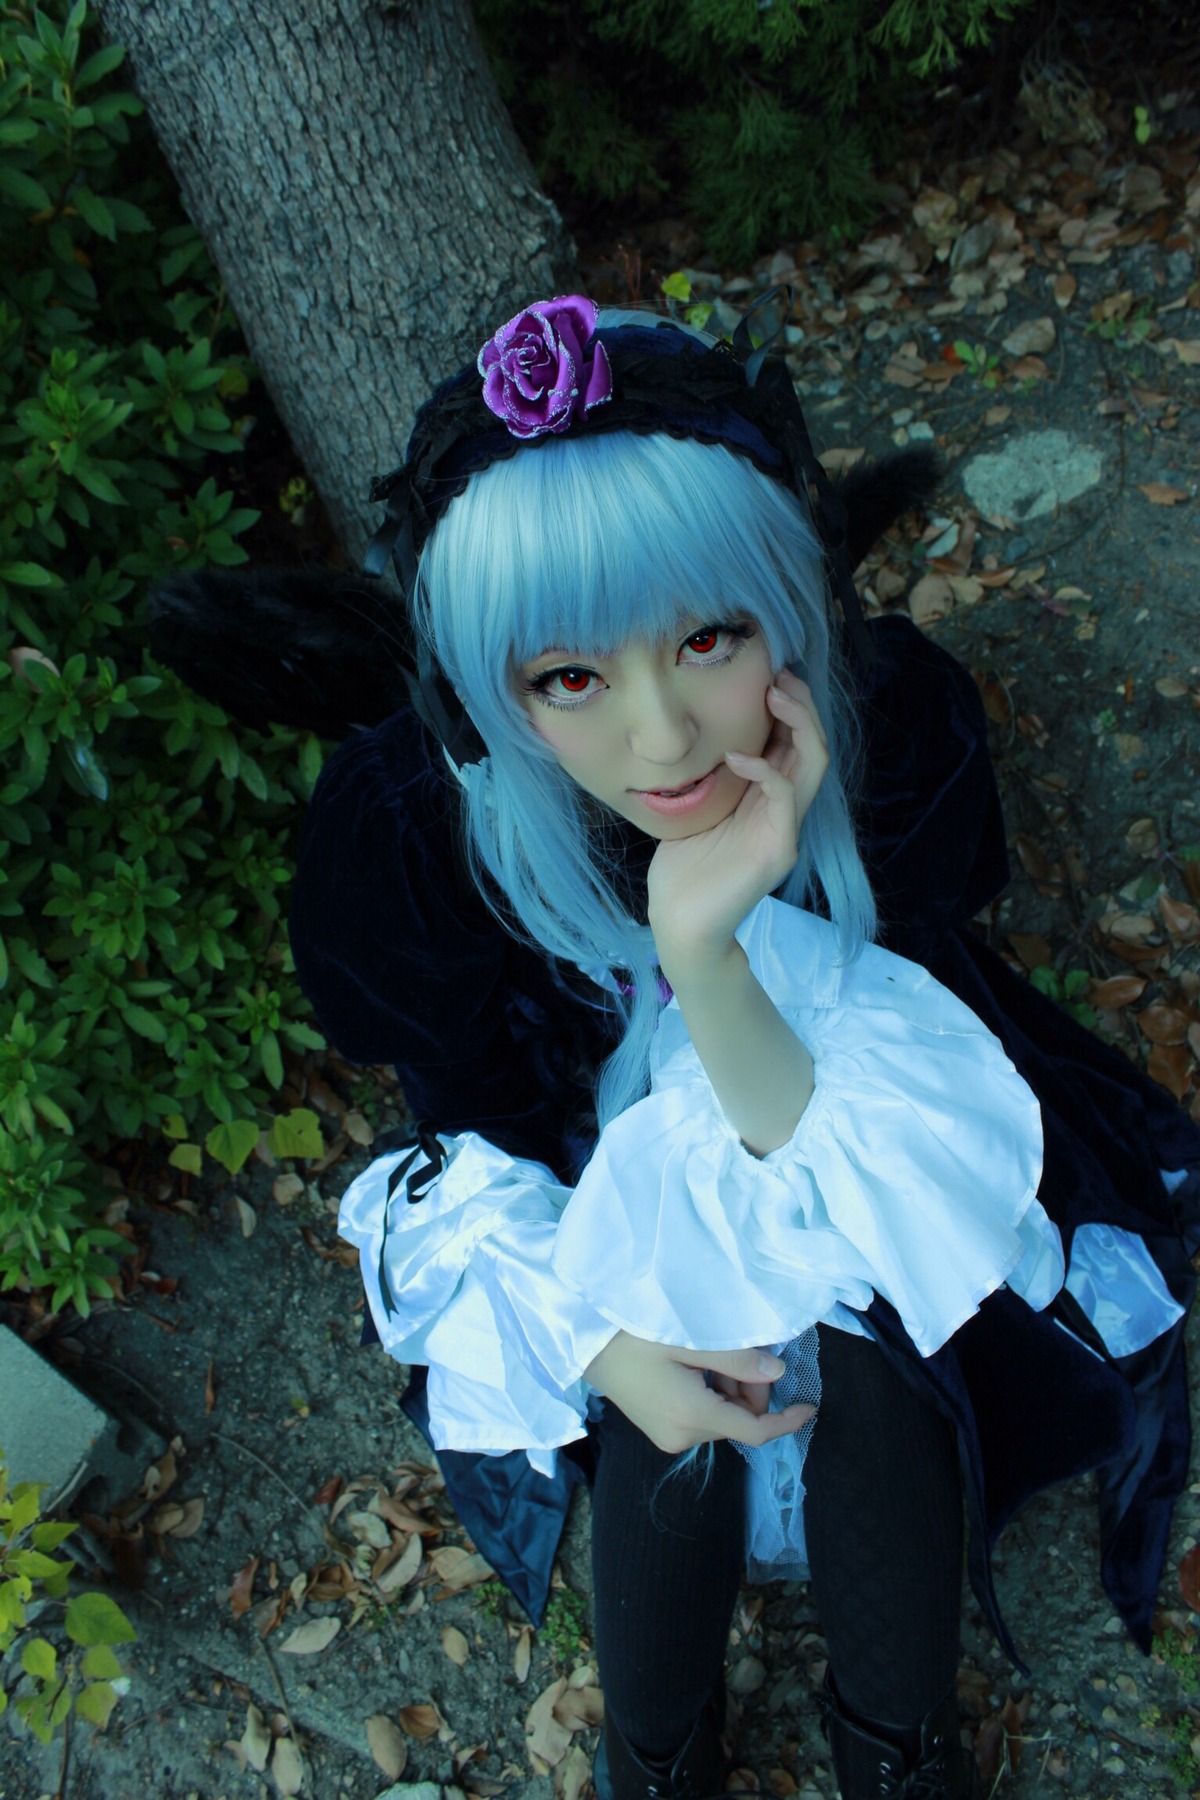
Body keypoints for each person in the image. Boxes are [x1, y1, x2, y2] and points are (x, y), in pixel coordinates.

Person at [152, 293, 1200, 1800]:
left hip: (837, 1124)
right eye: (567, 678)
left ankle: (896, 1747)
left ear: (789, 603)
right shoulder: (423, 837)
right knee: (664, 1381)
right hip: (596, 1174)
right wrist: (602, 1337)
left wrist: (708, 943)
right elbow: (473, 1135)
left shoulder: (889, 747)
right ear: (489, 693)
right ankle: (655, 1760)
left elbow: (838, 1155)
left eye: (707, 639)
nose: (662, 740)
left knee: (886, 1354)